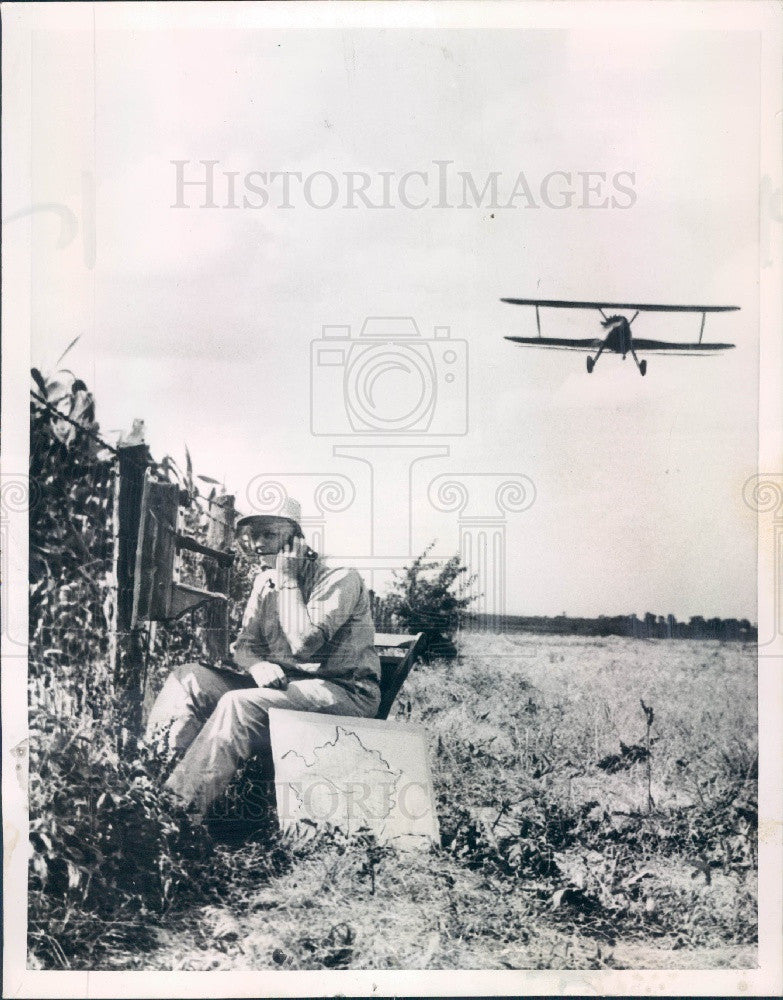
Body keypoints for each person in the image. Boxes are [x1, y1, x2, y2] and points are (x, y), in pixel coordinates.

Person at [145, 497, 381, 816]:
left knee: (238, 705)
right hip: (285, 689)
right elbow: (244, 646)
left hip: (342, 693)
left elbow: (304, 645)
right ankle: (150, 785)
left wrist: (287, 580)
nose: (256, 544)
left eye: (268, 534)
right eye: (252, 535)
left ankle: (176, 816)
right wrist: (258, 664)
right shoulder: (264, 580)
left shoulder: (337, 576)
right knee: (188, 680)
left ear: (296, 538)